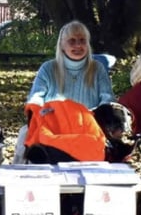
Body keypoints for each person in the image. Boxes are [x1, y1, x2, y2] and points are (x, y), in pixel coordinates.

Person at [13, 20, 116, 163]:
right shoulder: (48, 68)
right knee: (25, 133)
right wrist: (33, 110)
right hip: (53, 124)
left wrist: (105, 109)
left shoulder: (97, 68)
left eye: (82, 41)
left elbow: (107, 96)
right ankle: (21, 177)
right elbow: (37, 95)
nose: (78, 45)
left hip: (87, 125)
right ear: (62, 45)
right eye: (72, 41)